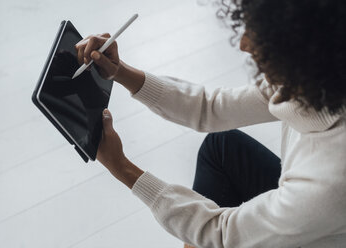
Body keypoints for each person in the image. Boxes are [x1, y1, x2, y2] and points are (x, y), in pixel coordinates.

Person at [75, 0, 346, 247]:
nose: (244, 44)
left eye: (261, 34)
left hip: (320, 225)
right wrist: (120, 71)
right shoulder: (313, 84)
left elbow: (222, 234)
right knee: (221, 147)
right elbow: (211, 107)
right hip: (315, 211)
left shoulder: (330, 179)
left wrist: (122, 168)